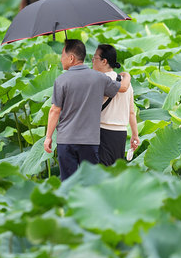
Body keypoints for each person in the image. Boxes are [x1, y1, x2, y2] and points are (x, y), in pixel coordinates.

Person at [44, 39, 130, 180]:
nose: (60, 59)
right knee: (91, 183)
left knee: (67, 182)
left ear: (71, 58)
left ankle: (69, 202)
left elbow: (54, 110)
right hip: (90, 141)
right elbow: (123, 88)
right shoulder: (99, 78)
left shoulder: (61, 80)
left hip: (66, 140)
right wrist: (127, 76)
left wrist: (48, 137)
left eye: (62, 55)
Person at [93, 44, 139, 165]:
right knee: (114, 174)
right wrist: (135, 134)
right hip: (121, 135)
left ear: (104, 61)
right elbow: (131, 112)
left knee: (101, 174)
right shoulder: (127, 83)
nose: (92, 61)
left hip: (102, 132)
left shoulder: (99, 80)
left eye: (95, 58)